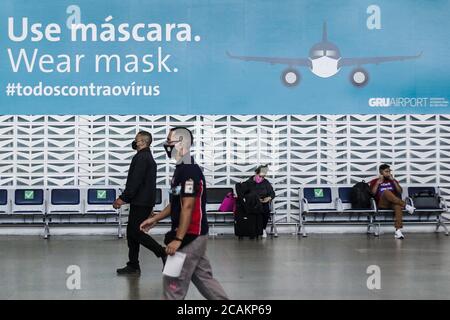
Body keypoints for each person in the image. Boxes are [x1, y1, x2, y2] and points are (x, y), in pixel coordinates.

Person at [139, 127, 228, 300]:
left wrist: (178, 239)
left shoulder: (189, 170)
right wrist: (155, 218)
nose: (166, 145)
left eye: (169, 141)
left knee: (173, 284)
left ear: (181, 143)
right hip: (195, 236)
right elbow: (176, 203)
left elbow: (188, 206)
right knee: (204, 279)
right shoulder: (181, 169)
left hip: (189, 236)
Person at [114, 131, 166, 275]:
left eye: (136, 140)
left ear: (143, 142)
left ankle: (163, 253)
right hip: (143, 201)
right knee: (131, 233)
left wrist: (123, 198)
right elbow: (148, 184)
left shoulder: (142, 158)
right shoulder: (147, 157)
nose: (134, 142)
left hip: (140, 202)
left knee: (135, 233)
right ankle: (133, 265)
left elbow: (135, 181)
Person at [369, 164, 415, 239]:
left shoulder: (393, 180)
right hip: (382, 203)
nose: (388, 173)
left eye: (389, 171)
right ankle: (406, 206)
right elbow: (372, 194)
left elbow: (400, 191)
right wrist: (378, 183)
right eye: (386, 171)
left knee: (398, 206)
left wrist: (393, 180)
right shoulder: (374, 181)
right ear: (381, 172)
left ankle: (398, 231)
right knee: (386, 192)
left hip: (393, 202)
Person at [244, 165, 275, 238]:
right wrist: (255, 199)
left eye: (263, 177)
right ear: (256, 173)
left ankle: (263, 229)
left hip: (263, 203)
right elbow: (244, 194)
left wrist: (269, 198)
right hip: (252, 203)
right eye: (260, 176)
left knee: (266, 210)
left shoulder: (266, 182)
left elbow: (272, 193)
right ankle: (253, 230)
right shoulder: (248, 182)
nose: (261, 178)